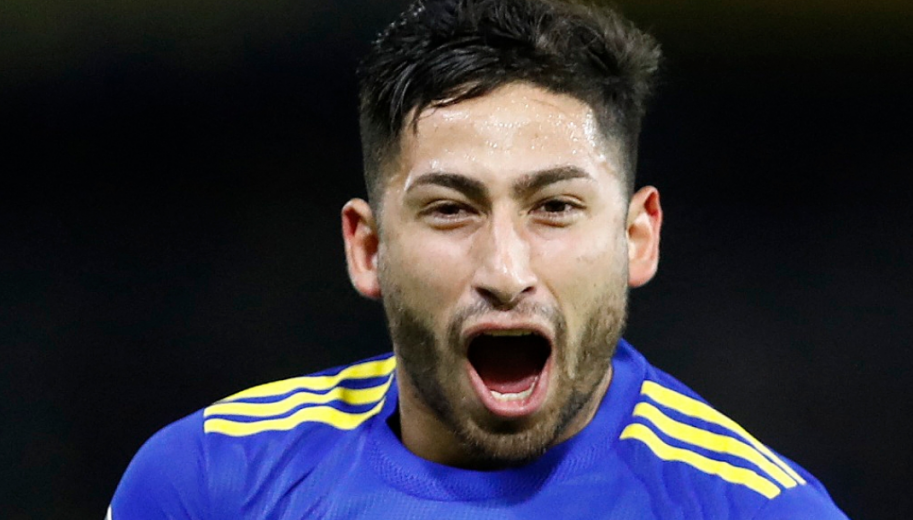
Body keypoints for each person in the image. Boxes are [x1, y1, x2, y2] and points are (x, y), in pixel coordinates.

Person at [109, 0, 849, 518]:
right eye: (450, 209)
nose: (505, 271)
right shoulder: (206, 485)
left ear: (637, 238)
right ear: (368, 248)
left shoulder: (756, 510)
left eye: (554, 207)